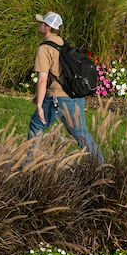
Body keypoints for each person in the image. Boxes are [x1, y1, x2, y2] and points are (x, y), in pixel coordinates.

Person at [28, 11, 104, 163]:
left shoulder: (44, 48)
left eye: (41, 22)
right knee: (80, 134)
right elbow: (58, 72)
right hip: (75, 96)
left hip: (56, 98)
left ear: (48, 27)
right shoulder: (63, 43)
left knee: (36, 125)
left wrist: (39, 105)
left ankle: (29, 166)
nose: (39, 24)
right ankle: (101, 167)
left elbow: (42, 79)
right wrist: (39, 96)